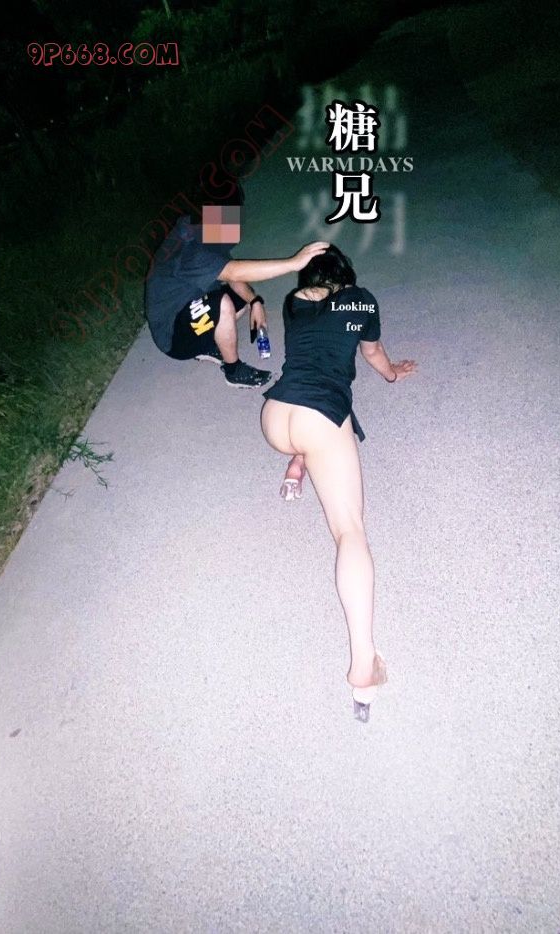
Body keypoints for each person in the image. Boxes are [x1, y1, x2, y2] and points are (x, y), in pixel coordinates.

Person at [260, 245, 417, 721]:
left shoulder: (293, 302)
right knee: (350, 531)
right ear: (346, 276)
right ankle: (363, 666)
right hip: (319, 418)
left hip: (275, 416)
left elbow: (318, 339)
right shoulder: (361, 299)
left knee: (315, 434)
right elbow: (372, 352)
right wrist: (392, 375)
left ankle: (298, 463)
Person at [144, 188, 329, 388]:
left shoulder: (201, 231)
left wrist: (254, 301)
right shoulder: (190, 250)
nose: (235, 223)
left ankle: (208, 344)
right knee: (222, 304)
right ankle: (234, 371)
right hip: (173, 337)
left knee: (241, 296)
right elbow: (233, 272)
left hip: (188, 308)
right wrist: (293, 263)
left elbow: (230, 274)